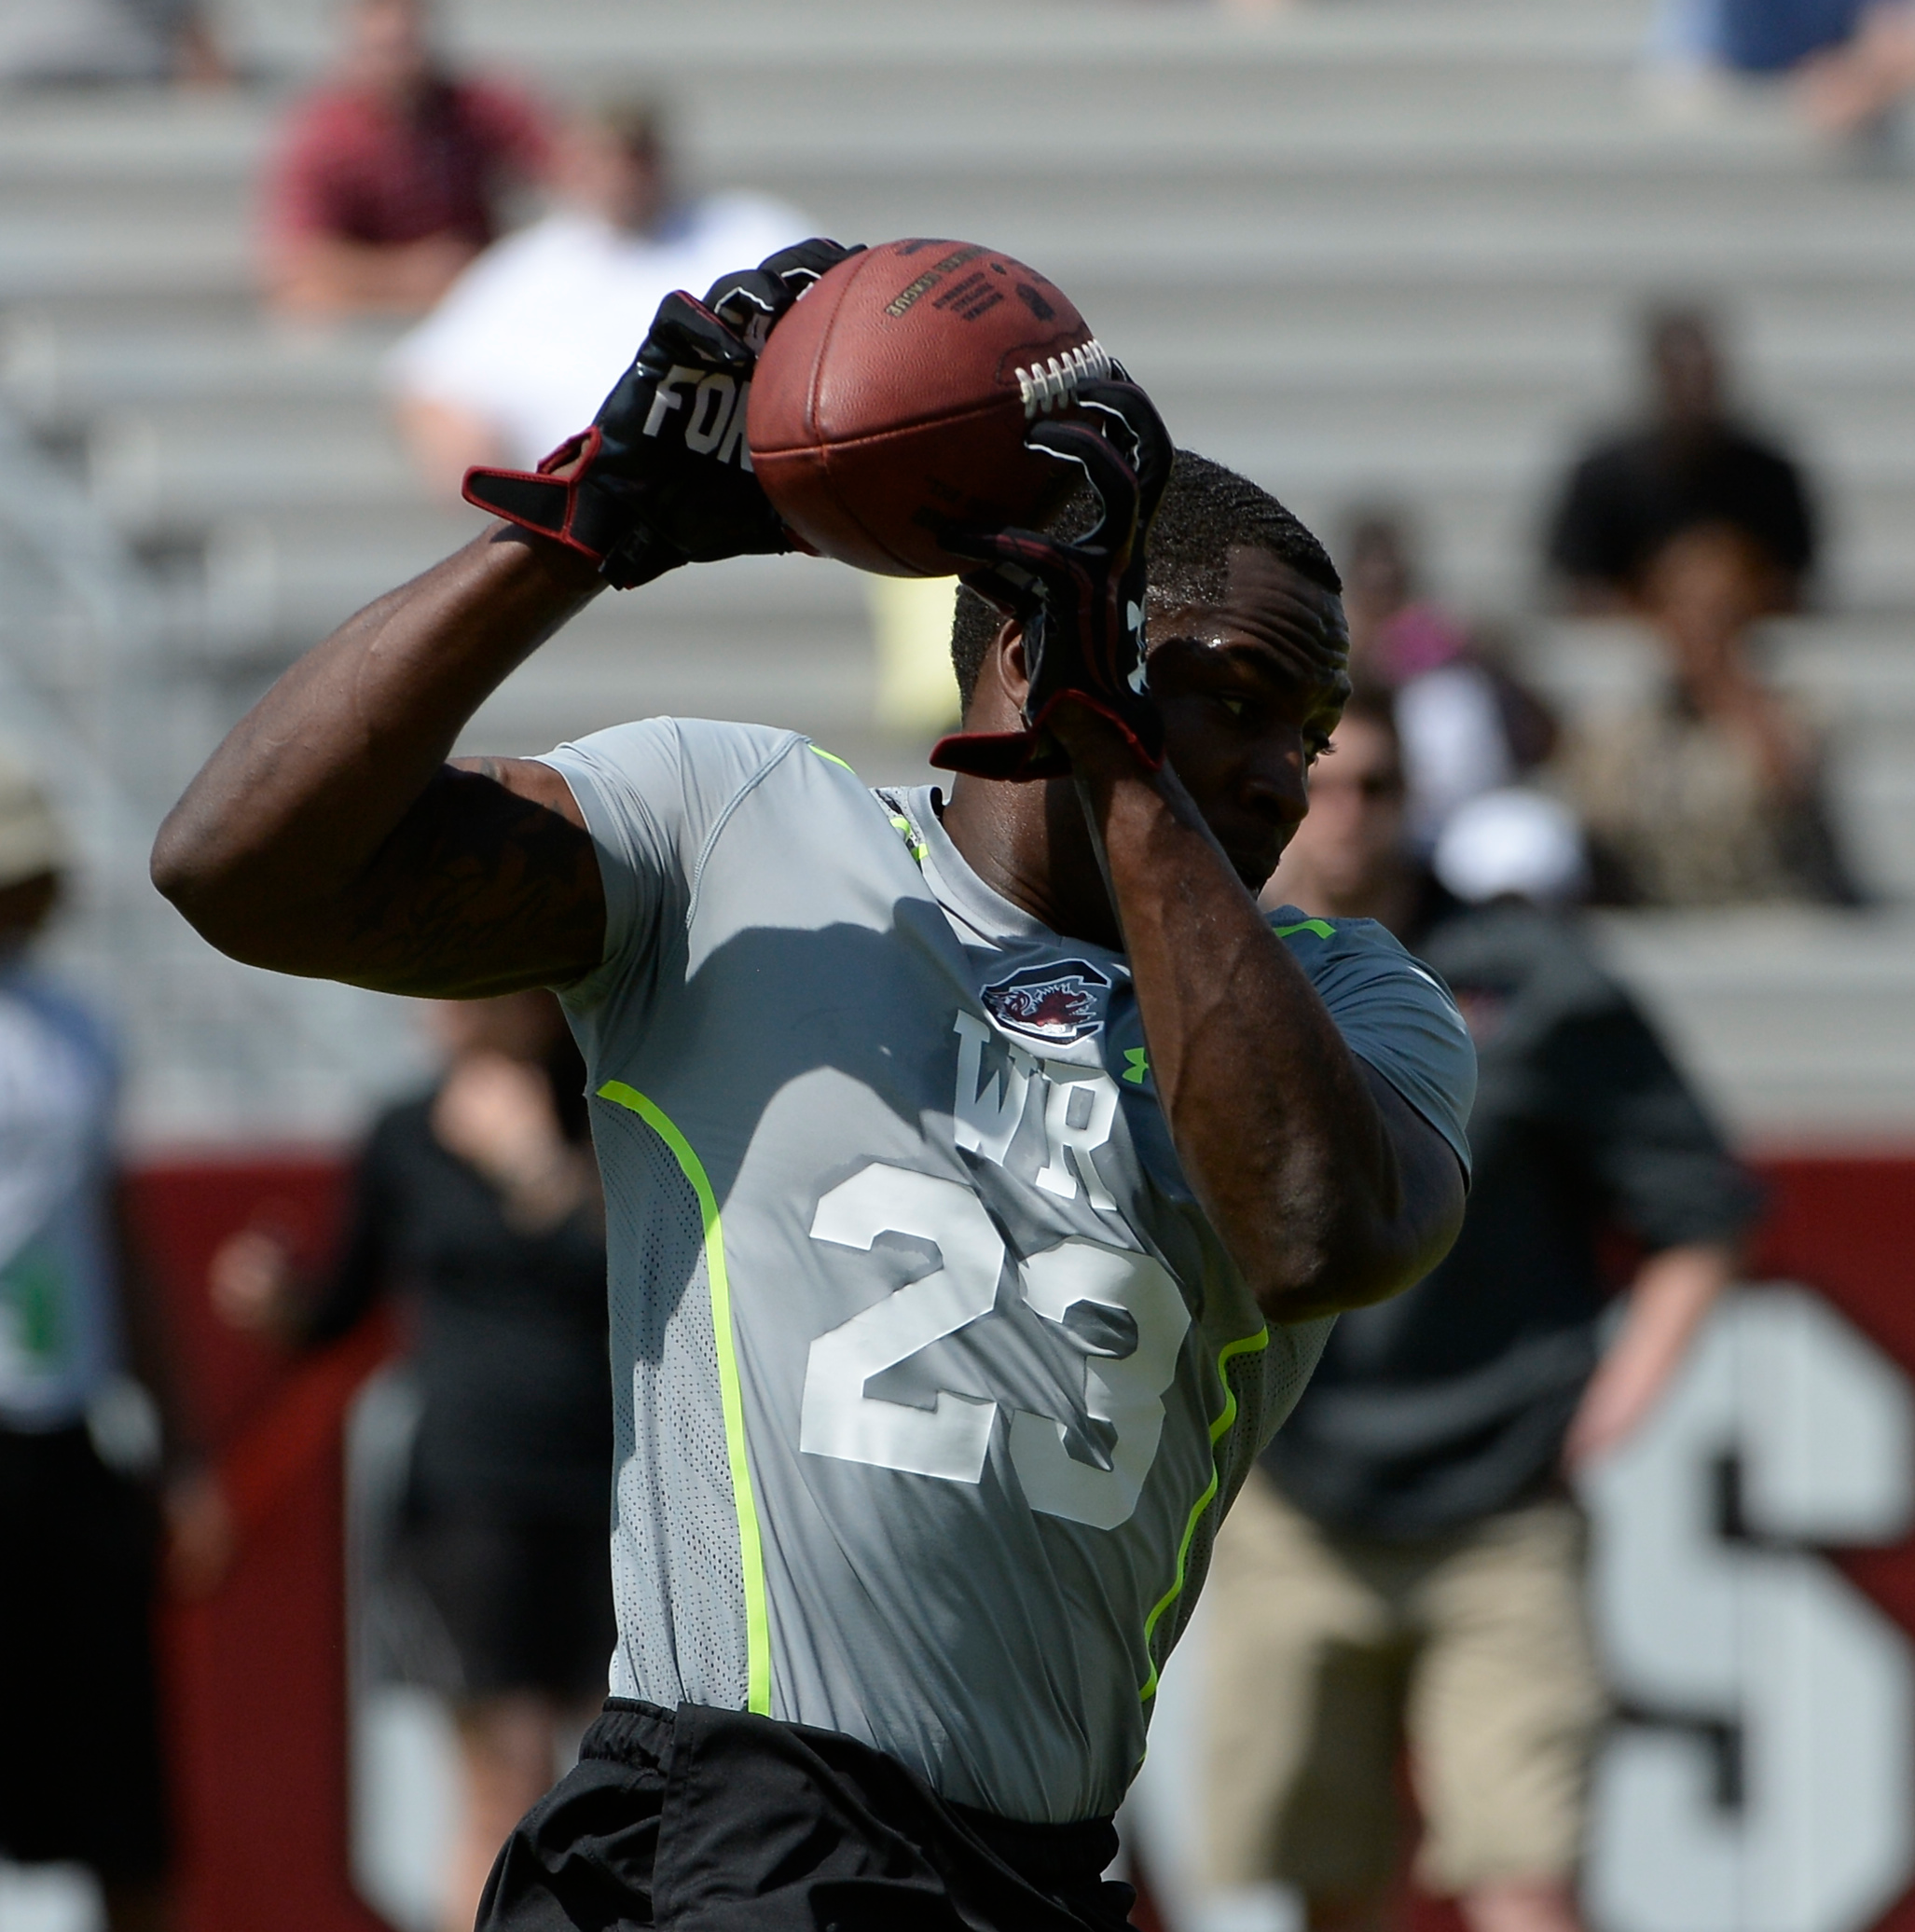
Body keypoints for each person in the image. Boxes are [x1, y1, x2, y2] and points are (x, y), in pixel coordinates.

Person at [149, 238, 1475, 1930]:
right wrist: (566, 541)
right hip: (740, 1808)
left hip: (1029, 1861)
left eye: (1311, 721)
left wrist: (1121, 752)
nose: (1285, 771)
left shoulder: (1351, 996)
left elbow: (1306, 1229)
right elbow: (239, 869)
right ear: (1021, 654)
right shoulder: (737, 828)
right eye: (1228, 697)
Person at [1198, 695, 1760, 1932]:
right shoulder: (1212, 961)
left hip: (1499, 1505)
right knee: (1318, 1885)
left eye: (1377, 788)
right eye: (1318, 784)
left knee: (1525, 1877)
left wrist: (1604, 1414)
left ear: (1421, 798)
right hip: (1294, 1502)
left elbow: (1697, 1215)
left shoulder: (1532, 978)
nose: (1343, 816)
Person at [209, 989, 612, 1932]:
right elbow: (338, 1308)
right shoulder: (402, 1132)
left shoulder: (609, 1103)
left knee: (618, 1784)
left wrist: (534, 1167)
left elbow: (643, 1264)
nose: (433, 993)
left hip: (616, 1494)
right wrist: (277, 1300)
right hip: (467, 1503)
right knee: (499, 1786)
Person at [0, 749, 228, 1932]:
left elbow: (117, 1243)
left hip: (63, 1431)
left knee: (122, 1806)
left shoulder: (75, 1027)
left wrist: (182, 1449)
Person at [389, 100, 806, 490]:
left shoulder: (746, 235)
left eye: (633, 158)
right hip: (587, 516)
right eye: (605, 158)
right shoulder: (526, 268)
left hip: (737, 492)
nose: (620, 174)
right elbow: (429, 377)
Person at [1563, 521, 1862, 906]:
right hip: (1658, 917)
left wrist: (1729, 691)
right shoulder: (1617, 720)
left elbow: (1791, 791)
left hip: (1776, 915)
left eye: (1721, 610)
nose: (1700, 625)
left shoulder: (1805, 701)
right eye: (1682, 606)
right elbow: (1599, 827)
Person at [259, 0, 549, 318]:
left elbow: (564, 162)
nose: (399, 58)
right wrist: (406, 275)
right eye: (386, 47)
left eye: (406, 42)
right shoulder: (322, 134)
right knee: (305, 304)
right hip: (371, 310)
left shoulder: (474, 108)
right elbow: (294, 260)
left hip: (473, 308)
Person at [1545, 307, 1817, 612]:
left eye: (1701, 377)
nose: (1691, 393)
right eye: (1680, 377)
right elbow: (1577, 582)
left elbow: (1795, 582)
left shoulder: (1768, 475)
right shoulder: (1603, 476)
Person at [1339, 511, 1555, 852]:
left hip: (1466, 819)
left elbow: (1541, 731)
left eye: (1392, 585)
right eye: (1372, 589)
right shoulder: (1334, 654)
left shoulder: (1453, 654)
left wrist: (1477, 651)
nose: (1384, 602)